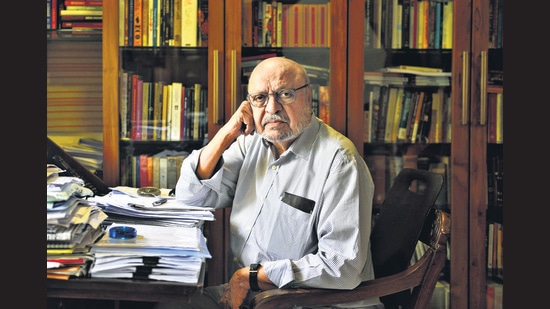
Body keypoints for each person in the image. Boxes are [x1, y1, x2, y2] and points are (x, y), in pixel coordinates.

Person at [155, 57, 381, 309]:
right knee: (169, 304)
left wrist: (252, 277)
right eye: (260, 98)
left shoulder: (339, 160)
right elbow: (190, 196)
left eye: (285, 94)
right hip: (253, 294)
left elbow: (343, 268)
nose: (272, 108)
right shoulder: (252, 143)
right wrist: (226, 133)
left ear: (309, 97)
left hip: (313, 302)